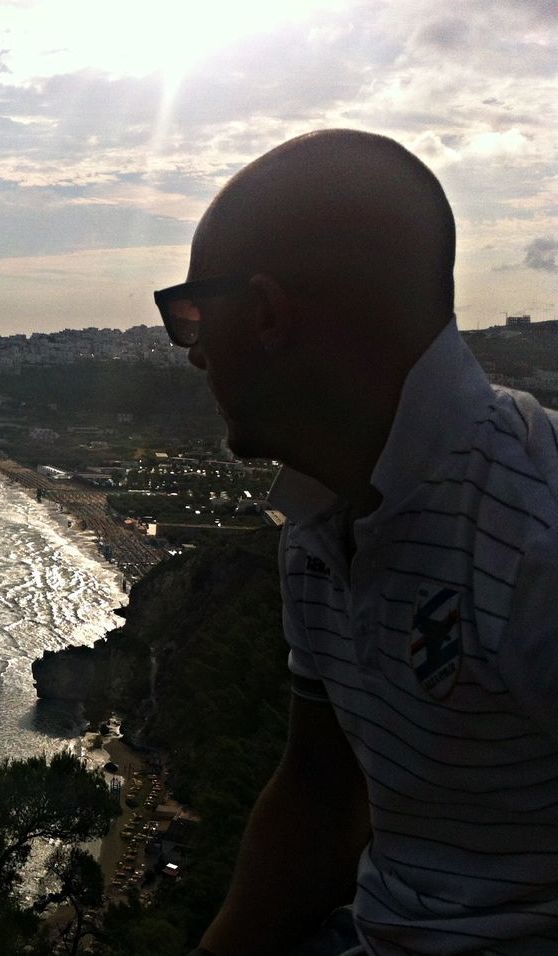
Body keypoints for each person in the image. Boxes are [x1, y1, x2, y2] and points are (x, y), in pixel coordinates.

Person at [153, 129, 558, 955]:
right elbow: (321, 792)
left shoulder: (534, 533)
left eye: (192, 317)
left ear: (266, 314)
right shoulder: (320, 514)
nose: (193, 356)